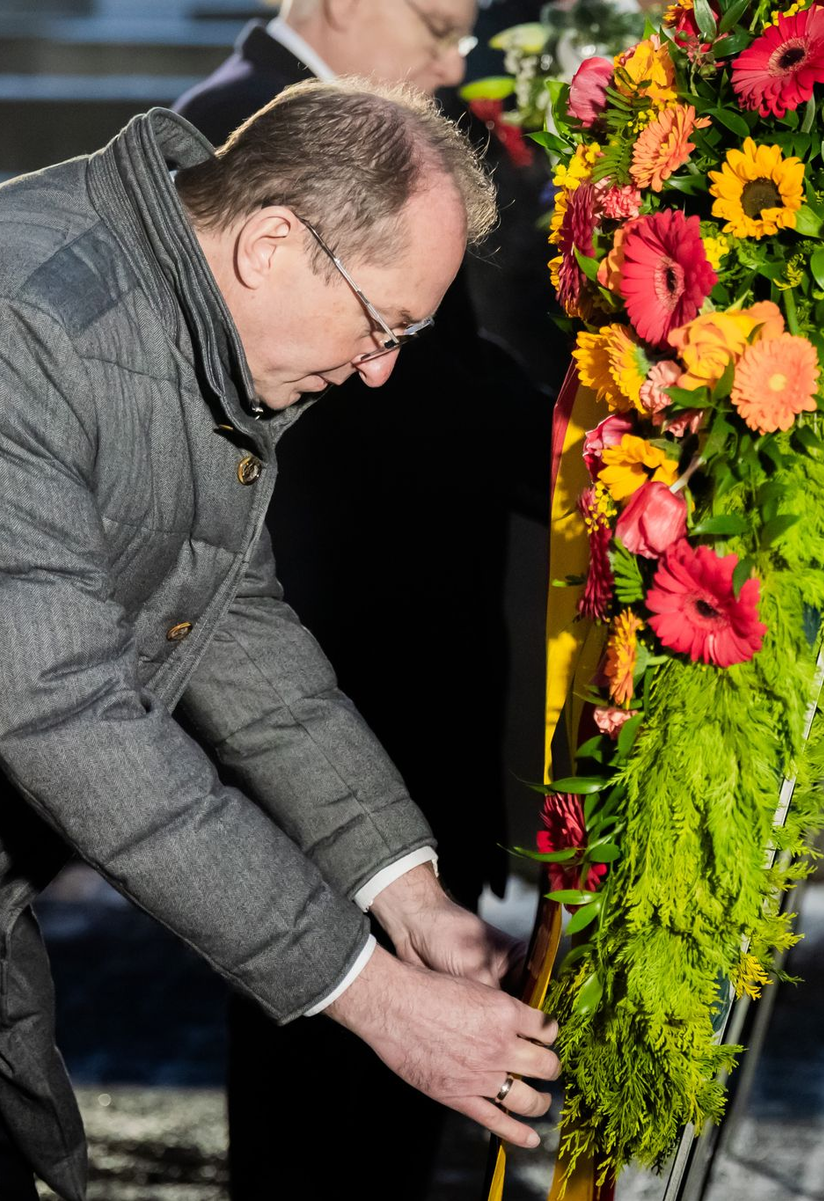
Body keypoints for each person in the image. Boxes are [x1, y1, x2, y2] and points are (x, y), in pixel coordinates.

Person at [0, 78, 557, 1201]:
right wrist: (369, 993)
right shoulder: (31, 322)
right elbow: (59, 710)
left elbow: (237, 621)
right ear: (273, 244)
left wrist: (404, 891)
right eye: (383, 322)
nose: (381, 367)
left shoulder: (188, 323)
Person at [176, 7, 557, 1196]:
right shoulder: (231, 145)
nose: (460, 60)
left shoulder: (355, 158)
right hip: (336, 679)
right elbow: (420, 422)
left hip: (368, 695)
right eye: (441, 24)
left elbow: (238, 616)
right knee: (320, 1117)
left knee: (375, 1122)